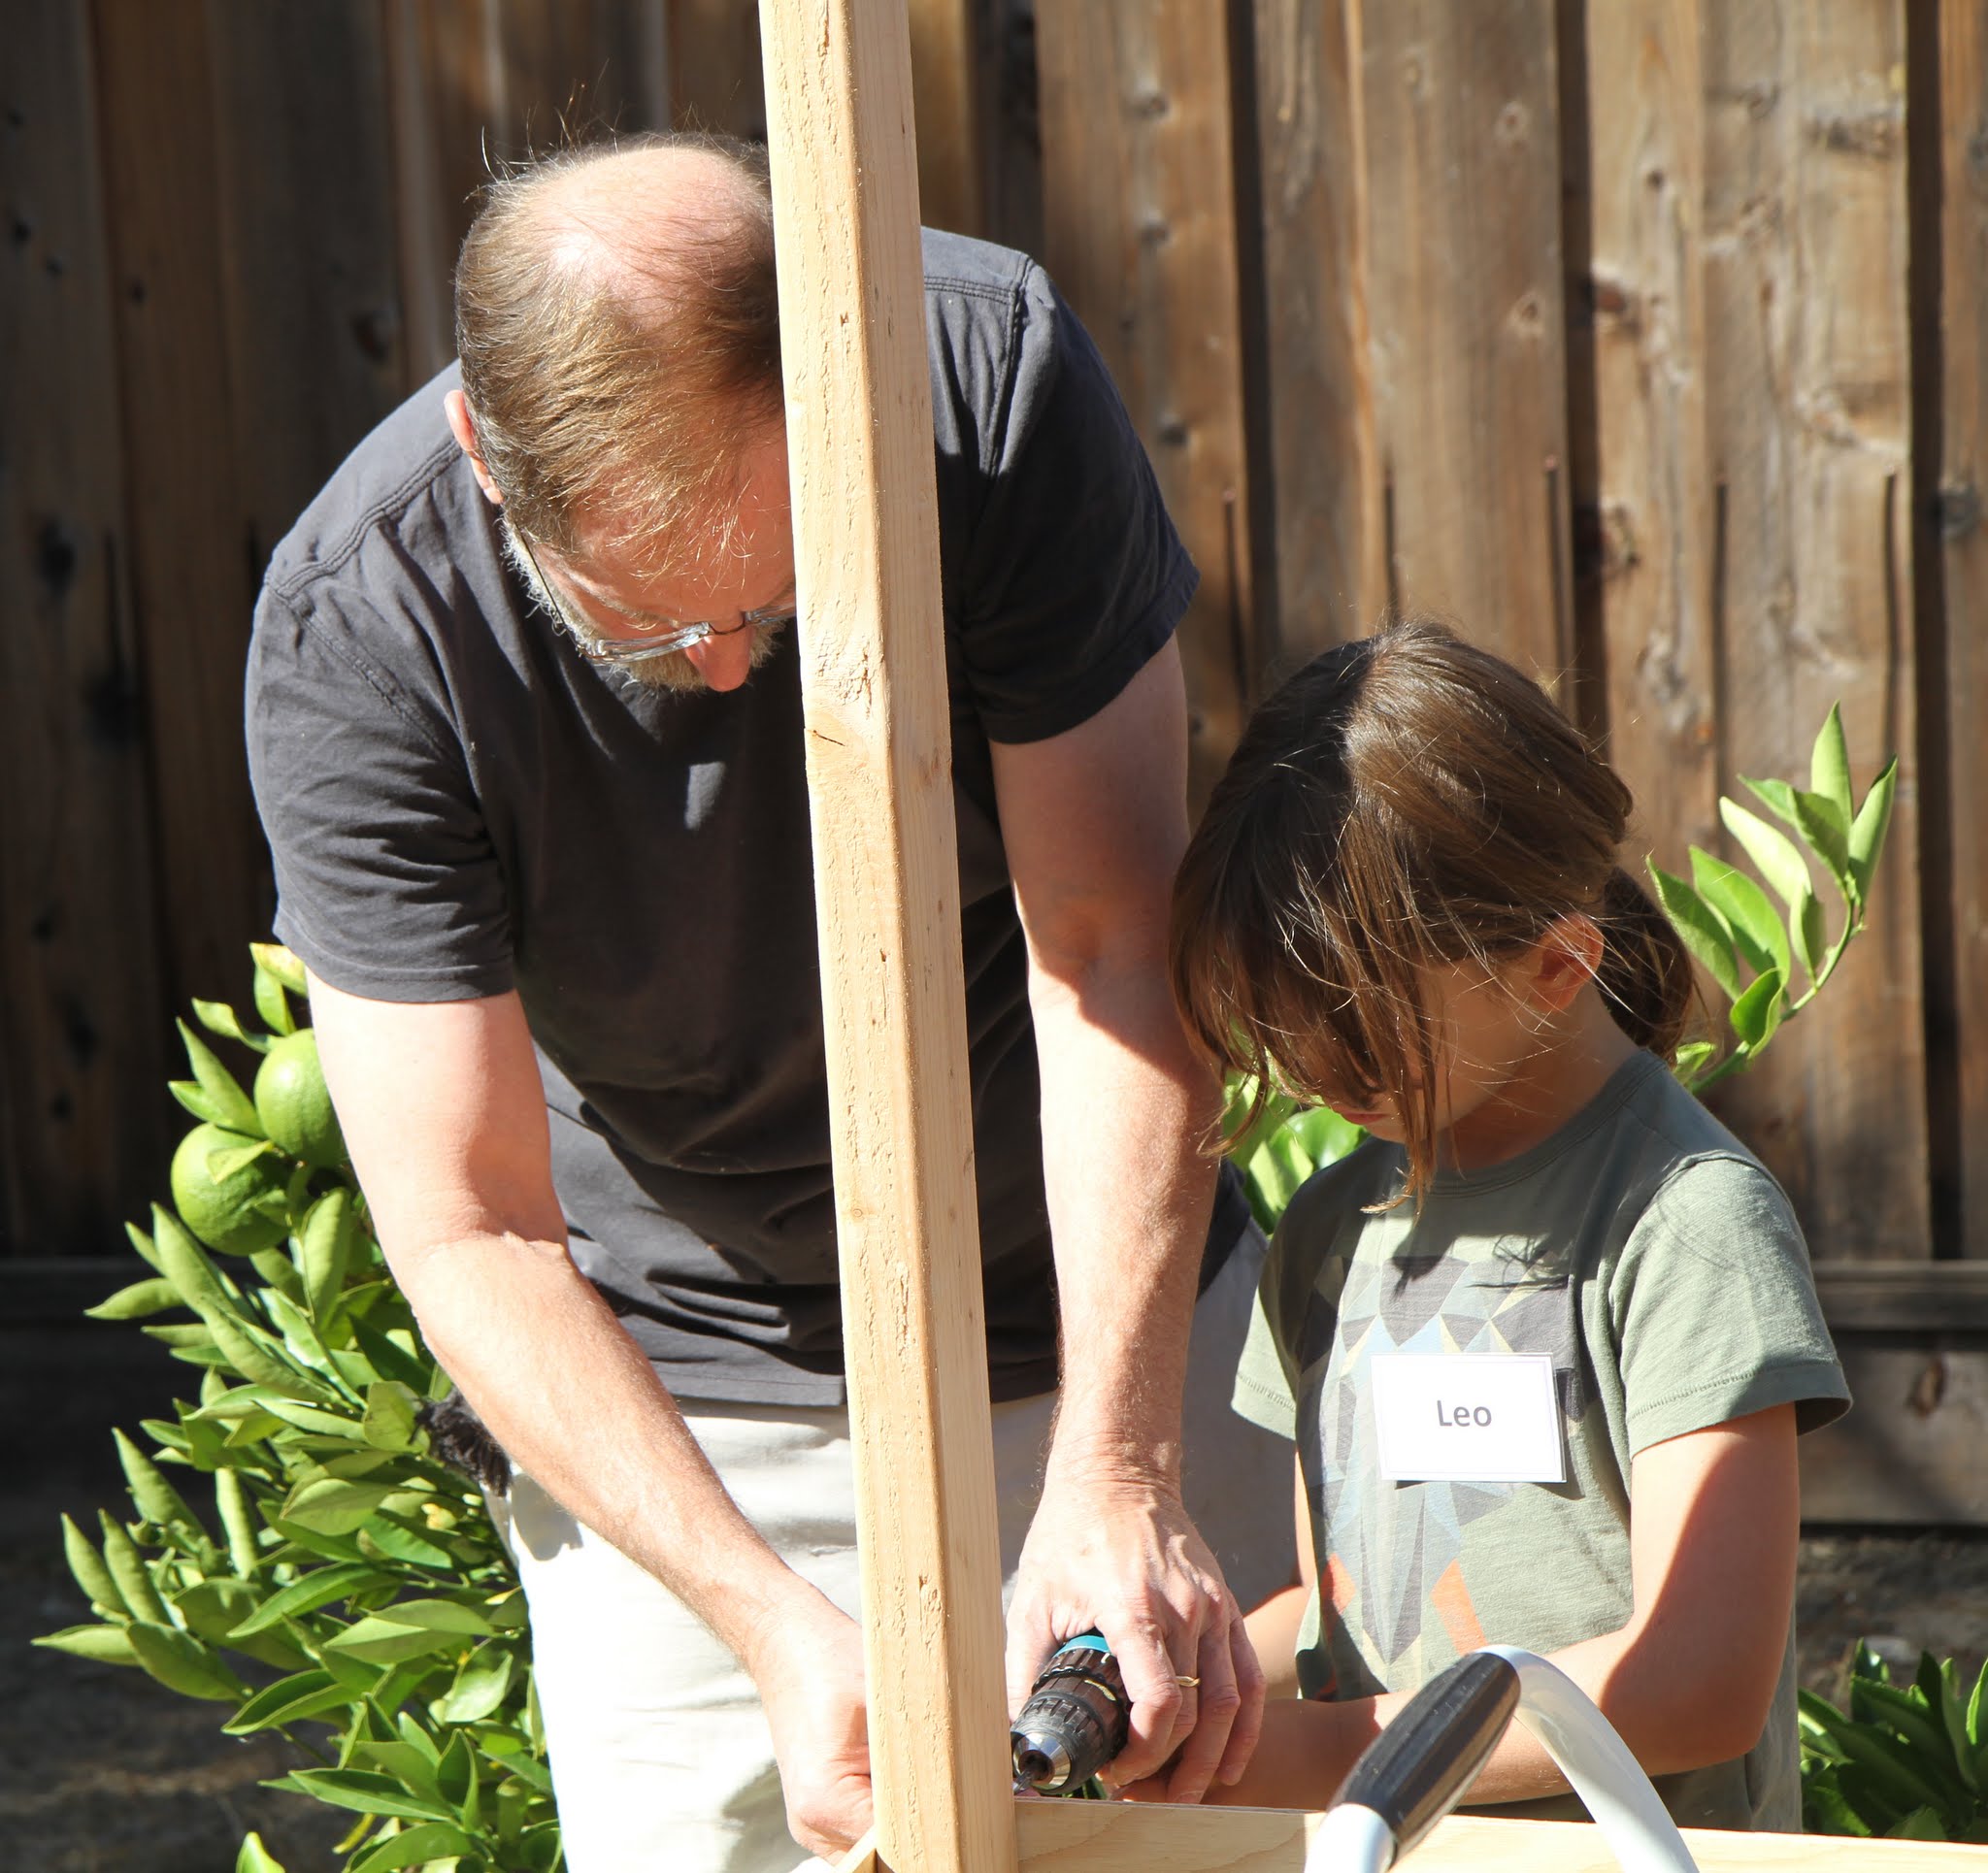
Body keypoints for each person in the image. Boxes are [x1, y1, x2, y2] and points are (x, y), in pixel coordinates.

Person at [245, 132, 1291, 1872]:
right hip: (678, 1423)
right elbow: (471, 1224)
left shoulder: (985, 382)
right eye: (660, 630)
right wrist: (762, 1616)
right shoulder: (363, 627)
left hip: (1101, 1334)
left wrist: (1120, 1467)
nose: (735, 668)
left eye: (784, 590)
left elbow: (1111, 943)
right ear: (487, 457)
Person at [1155, 619, 1850, 1828]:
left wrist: (1332, 1763)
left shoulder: (1683, 1224)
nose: (1311, 1065)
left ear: (1556, 965)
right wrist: (1178, 1703)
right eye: (1280, 1021)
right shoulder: (1328, 1230)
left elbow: (1694, 1683)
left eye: (1354, 1022)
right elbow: (1339, 1607)